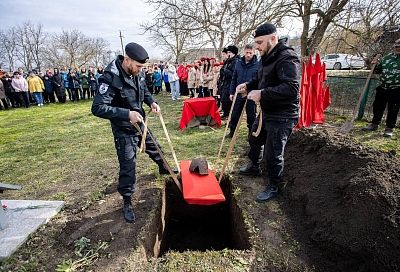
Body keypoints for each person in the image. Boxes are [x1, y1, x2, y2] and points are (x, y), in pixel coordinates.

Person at [91, 42, 171, 223]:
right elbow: (98, 107)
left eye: (142, 67)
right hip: (123, 128)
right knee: (128, 165)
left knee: (155, 146)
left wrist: (152, 102)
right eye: (138, 66)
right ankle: (127, 201)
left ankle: (164, 169)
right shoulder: (110, 77)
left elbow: (144, 90)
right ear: (127, 60)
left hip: (140, 122)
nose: (140, 70)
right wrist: (126, 114)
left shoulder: (137, 72)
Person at [236, 22, 300, 202]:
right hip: (267, 110)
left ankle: (274, 186)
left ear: (273, 38)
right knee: (254, 138)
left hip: (283, 115)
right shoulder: (266, 56)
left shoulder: (287, 58)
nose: (256, 47)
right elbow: (260, 79)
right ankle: (255, 166)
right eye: (255, 42)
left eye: (260, 42)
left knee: (273, 153)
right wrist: (248, 86)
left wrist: (262, 94)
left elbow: (291, 89)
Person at [362, 38, 400, 137]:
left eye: (399, 47)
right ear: (394, 47)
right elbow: (377, 70)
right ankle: (374, 124)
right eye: (396, 47)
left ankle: (389, 128)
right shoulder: (386, 58)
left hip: (396, 89)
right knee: (378, 107)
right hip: (383, 87)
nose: (398, 48)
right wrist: (374, 64)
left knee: (393, 109)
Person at [228, 44, 259, 138]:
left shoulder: (257, 64)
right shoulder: (238, 63)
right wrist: (231, 92)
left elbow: (258, 80)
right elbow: (234, 78)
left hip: (251, 94)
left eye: (250, 53)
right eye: (247, 52)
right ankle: (232, 132)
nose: (248, 55)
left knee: (251, 116)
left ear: (254, 53)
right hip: (238, 93)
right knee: (234, 115)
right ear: (244, 52)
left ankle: (250, 134)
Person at [221, 45, 240, 117]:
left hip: (231, 84)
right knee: (224, 100)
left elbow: (233, 74)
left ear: (234, 53)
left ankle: (231, 116)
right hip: (226, 83)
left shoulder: (236, 61)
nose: (228, 54)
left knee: (229, 101)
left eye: (230, 52)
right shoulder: (229, 61)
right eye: (228, 52)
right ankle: (226, 114)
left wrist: (225, 70)